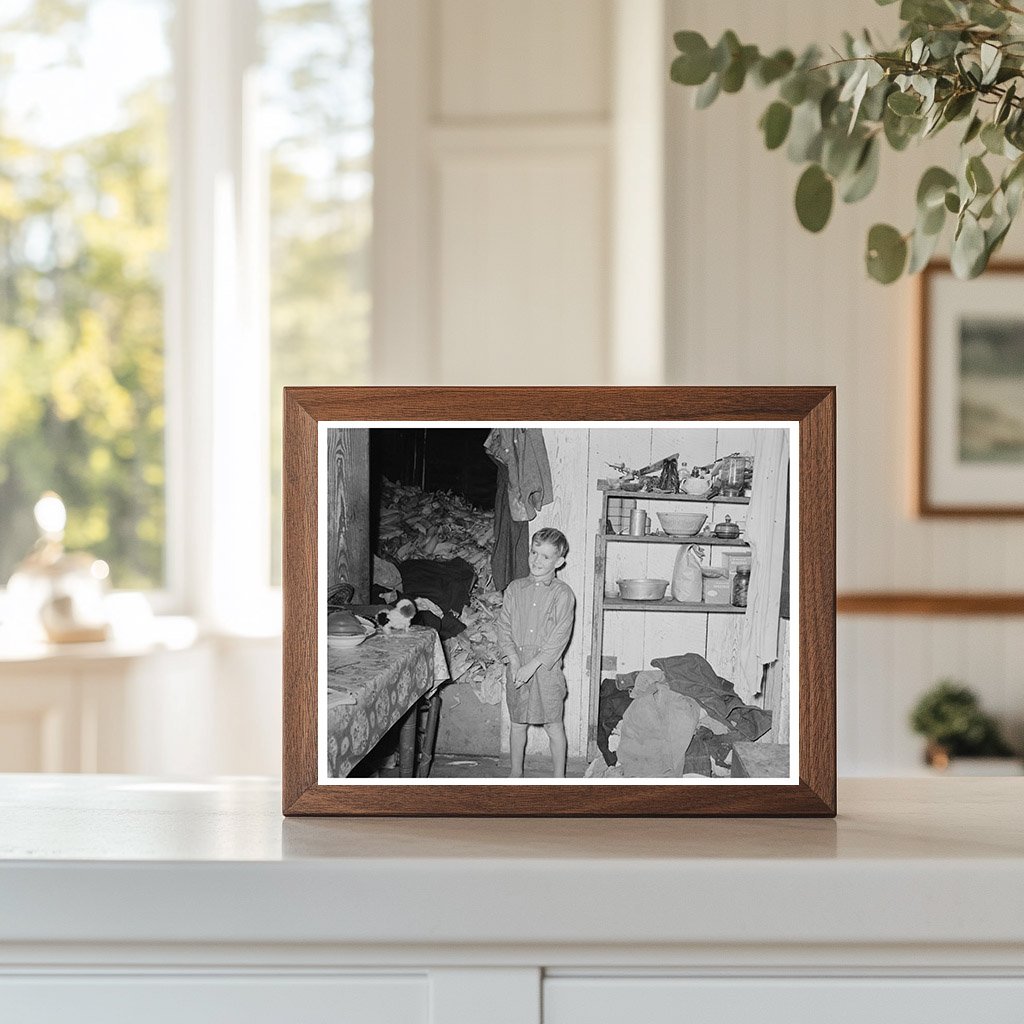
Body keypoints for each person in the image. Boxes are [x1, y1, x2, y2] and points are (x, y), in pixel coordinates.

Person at [495, 527, 576, 777]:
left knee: (553, 725)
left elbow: (559, 637)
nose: (537, 560)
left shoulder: (563, 594)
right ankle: (515, 774)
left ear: (559, 561)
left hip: (546, 670)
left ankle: (558, 779)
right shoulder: (515, 589)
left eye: (545, 556)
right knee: (517, 724)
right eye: (534, 552)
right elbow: (503, 625)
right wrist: (514, 659)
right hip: (517, 666)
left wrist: (533, 665)